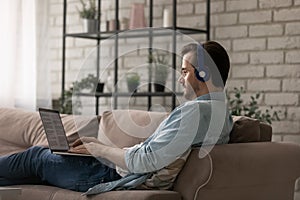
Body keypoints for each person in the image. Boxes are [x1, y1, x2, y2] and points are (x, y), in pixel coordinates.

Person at [0, 41, 233, 195]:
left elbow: (145, 161)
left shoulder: (194, 113)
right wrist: (102, 148)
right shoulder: (223, 115)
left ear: (203, 73)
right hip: (117, 167)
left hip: (109, 176)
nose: (180, 80)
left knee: (37, 157)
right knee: (38, 164)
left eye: (184, 72)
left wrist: (100, 150)